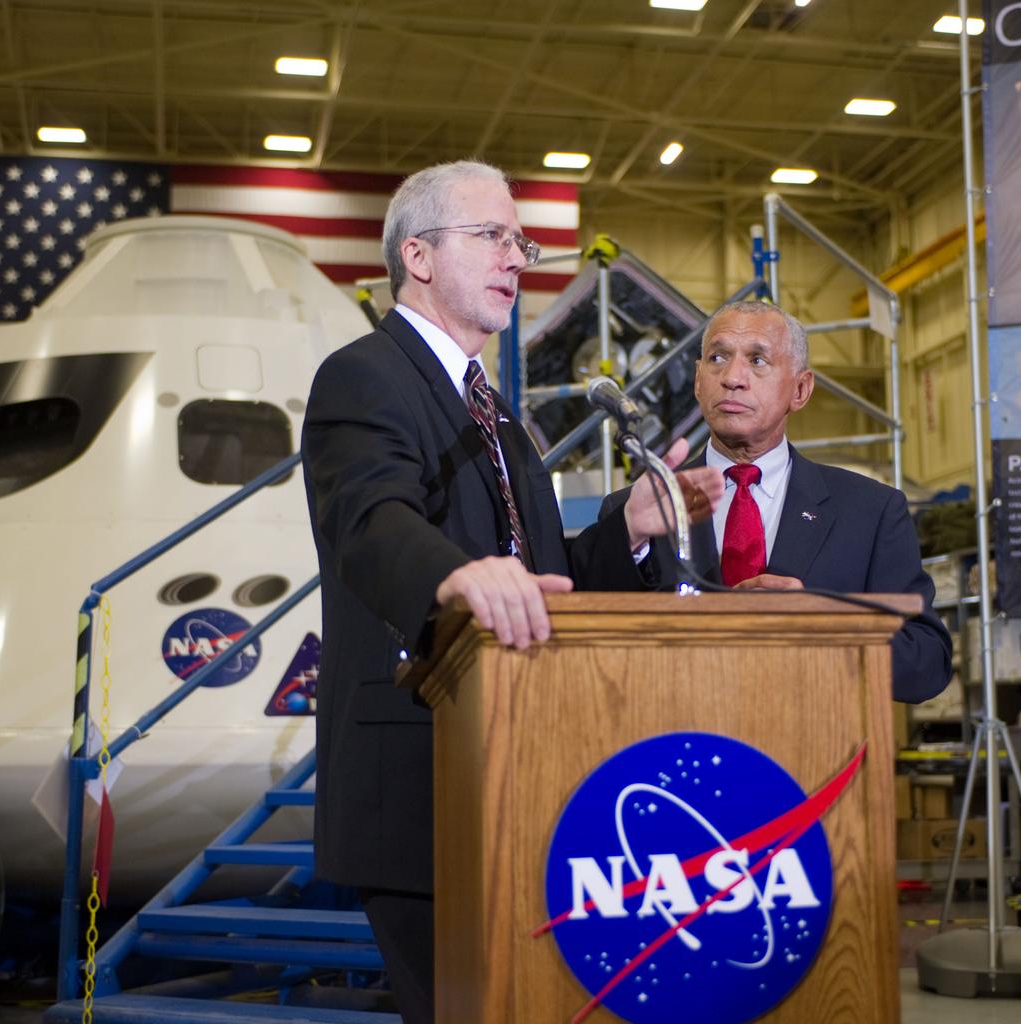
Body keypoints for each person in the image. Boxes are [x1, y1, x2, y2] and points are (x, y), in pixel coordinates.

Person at [300, 160, 723, 1023]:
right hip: (420, 780)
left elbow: (540, 572)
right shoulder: (363, 375)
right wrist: (453, 575)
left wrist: (629, 526)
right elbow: (368, 520)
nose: (516, 257)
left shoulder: (495, 413)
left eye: (519, 241)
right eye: (491, 236)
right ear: (418, 255)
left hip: (524, 766)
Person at [615, 299, 952, 704]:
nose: (733, 378)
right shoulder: (633, 514)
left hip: (815, 740)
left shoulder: (871, 512)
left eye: (758, 360)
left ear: (800, 389)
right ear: (698, 380)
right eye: (718, 358)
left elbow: (927, 664)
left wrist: (821, 625)